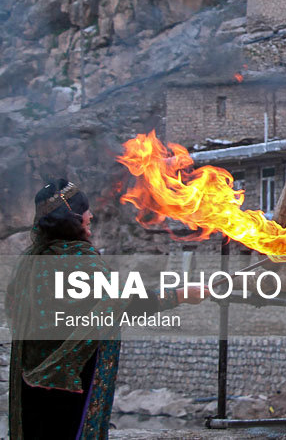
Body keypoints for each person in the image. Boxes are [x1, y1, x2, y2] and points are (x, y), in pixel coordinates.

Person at [6, 179, 206, 439]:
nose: (90, 216)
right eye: (86, 212)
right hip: (71, 378)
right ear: (74, 218)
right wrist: (179, 296)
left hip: (32, 380)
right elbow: (122, 303)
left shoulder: (30, 260)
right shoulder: (78, 261)